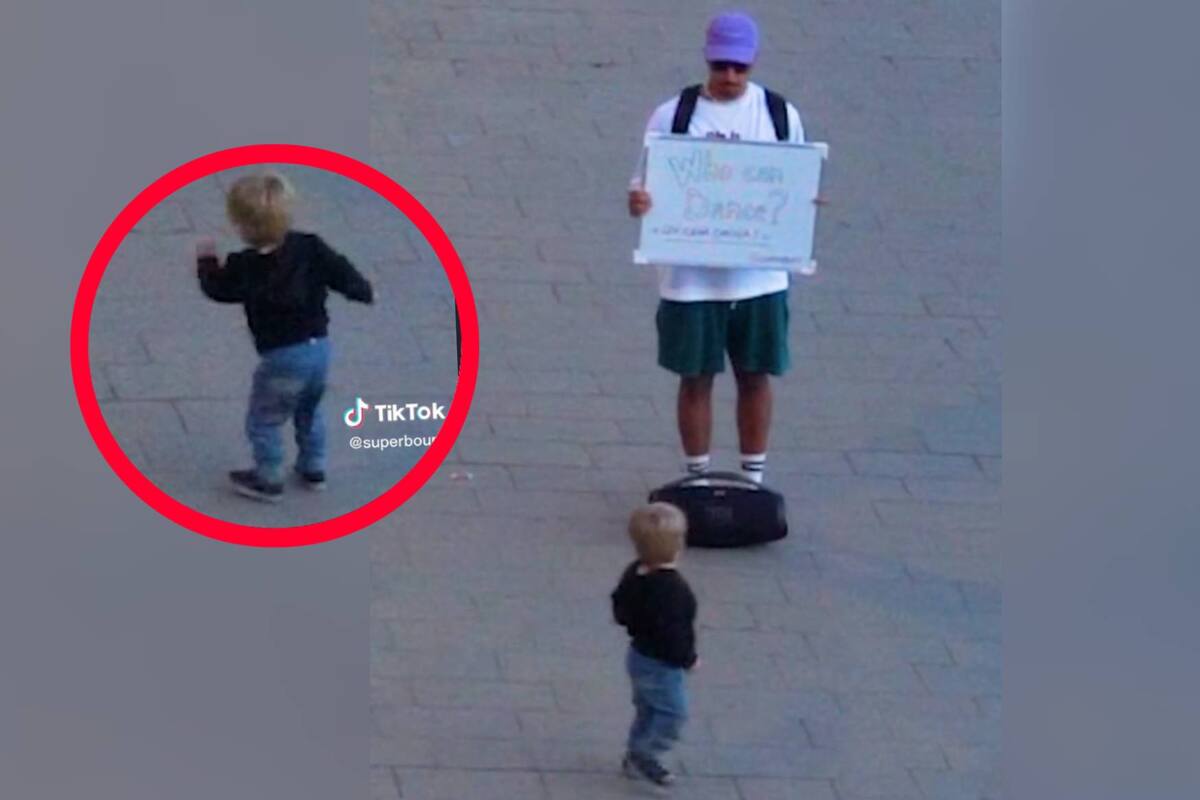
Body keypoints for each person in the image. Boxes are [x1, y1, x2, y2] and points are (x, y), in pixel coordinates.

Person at [629, 11, 809, 485]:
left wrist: (804, 202)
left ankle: (753, 479)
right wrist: (641, 201)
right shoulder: (674, 115)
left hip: (759, 278)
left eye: (740, 68)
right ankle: (698, 478)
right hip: (691, 281)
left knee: (755, 375)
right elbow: (643, 188)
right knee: (696, 377)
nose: (730, 77)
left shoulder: (778, 114)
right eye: (722, 66)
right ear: (708, 60)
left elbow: (795, 184)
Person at [195, 171, 374, 502]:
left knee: (264, 418)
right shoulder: (310, 247)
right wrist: (360, 290)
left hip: (281, 359)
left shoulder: (244, 265)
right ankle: (313, 467)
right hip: (319, 349)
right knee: (310, 409)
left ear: (241, 225)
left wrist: (206, 261)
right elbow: (342, 272)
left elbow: (217, 289)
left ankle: (269, 476)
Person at [611, 502, 698, 787]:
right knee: (673, 712)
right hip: (661, 664)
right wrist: (688, 658)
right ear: (678, 546)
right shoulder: (673, 590)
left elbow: (620, 608)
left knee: (648, 708)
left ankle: (636, 750)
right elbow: (675, 633)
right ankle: (645, 753)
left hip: (638, 655)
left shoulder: (635, 572)